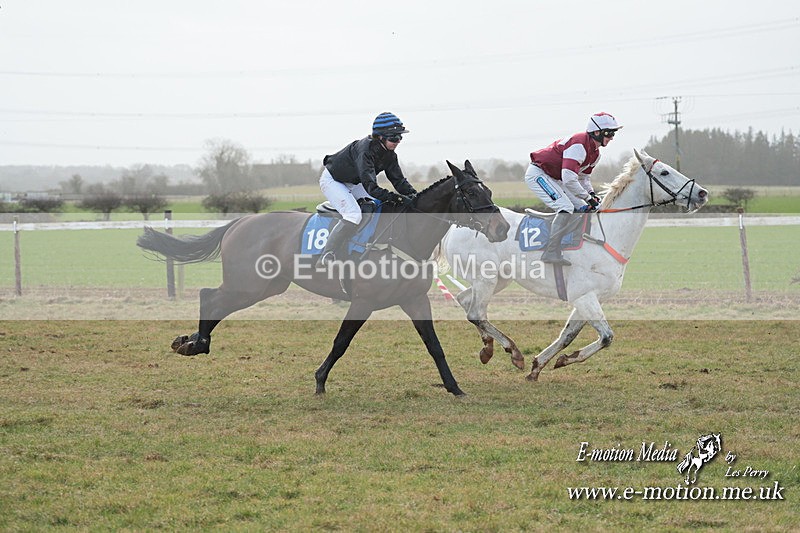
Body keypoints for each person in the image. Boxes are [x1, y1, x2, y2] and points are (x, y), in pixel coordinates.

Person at [316, 112, 417, 268]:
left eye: (400, 137)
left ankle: (361, 244)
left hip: (354, 182)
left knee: (375, 206)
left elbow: (399, 182)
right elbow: (372, 188)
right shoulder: (365, 151)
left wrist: (416, 196)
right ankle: (327, 255)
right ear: (380, 137)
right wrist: (398, 198)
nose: (398, 141)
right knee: (353, 215)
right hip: (334, 181)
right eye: (394, 138)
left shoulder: (390, 155)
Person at [524, 112, 622, 265]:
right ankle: (550, 252)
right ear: (596, 132)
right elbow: (569, 179)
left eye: (613, 134)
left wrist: (591, 194)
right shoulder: (578, 145)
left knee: (582, 207)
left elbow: (583, 178)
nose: (612, 138)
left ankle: (571, 245)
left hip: (557, 178)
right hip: (539, 174)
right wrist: (588, 198)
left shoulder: (596, 154)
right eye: (609, 133)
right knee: (566, 207)